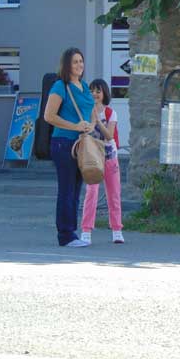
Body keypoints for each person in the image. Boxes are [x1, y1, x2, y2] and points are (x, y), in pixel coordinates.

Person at [44, 47, 96, 247]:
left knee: (75, 191)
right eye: (75, 62)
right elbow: (49, 116)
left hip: (81, 144)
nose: (79, 65)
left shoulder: (84, 86)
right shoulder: (60, 86)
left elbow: (92, 113)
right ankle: (65, 235)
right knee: (66, 190)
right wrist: (75, 126)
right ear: (67, 65)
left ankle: (72, 233)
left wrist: (91, 126)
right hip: (63, 143)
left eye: (81, 61)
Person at [81, 78, 124, 245]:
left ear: (104, 93)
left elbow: (109, 135)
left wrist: (98, 120)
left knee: (113, 194)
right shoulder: (86, 112)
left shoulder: (111, 113)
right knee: (91, 192)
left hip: (109, 156)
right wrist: (90, 119)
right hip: (92, 158)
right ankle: (86, 230)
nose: (94, 94)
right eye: (92, 91)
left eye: (98, 91)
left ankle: (117, 230)